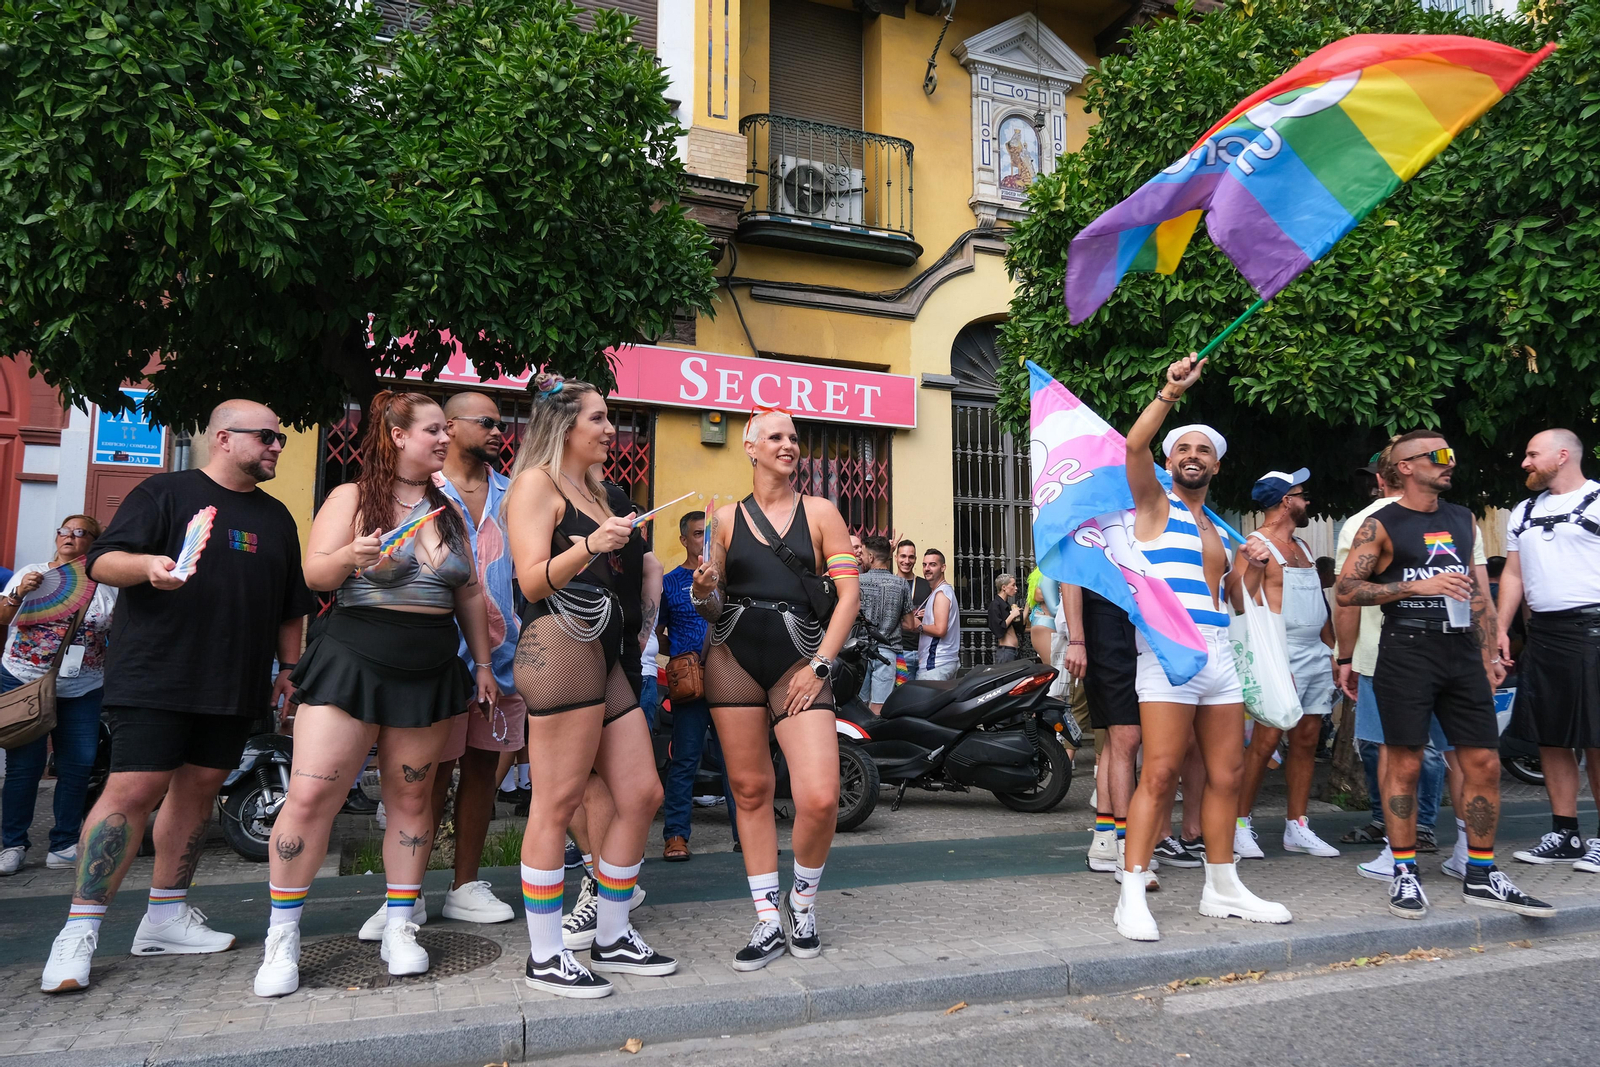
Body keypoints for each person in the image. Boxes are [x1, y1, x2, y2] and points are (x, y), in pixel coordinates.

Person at [40, 402, 312, 994]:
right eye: (267, 436)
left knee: (198, 792)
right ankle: (79, 930)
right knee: (133, 790)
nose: (276, 447)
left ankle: (165, 917)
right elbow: (103, 561)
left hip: (235, 682)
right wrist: (148, 567)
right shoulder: (163, 492)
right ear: (223, 438)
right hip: (157, 674)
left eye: (281, 437)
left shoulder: (278, 517)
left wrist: (290, 667)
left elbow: (293, 604)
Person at [253, 392, 496, 997]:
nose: (444, 439)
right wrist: (350, 556)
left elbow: (467, 592)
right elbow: (314, 576)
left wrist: (485, 663)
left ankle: (400, 923)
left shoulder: (448, 509)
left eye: (446, 430)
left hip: (429, 665)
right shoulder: (352, 498)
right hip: (353, 660)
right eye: (434, 430)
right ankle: (281, 939)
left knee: (412, 801)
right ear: (396, 435)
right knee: (311, 795)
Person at [1336, 429, 1553, 920]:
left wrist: (1489, 654)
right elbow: (1347, 590)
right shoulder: (1381, 523)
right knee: (1405, 763)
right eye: (1437, 456)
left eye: (1450, 454)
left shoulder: (1461, 519)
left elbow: (1477, 593)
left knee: (1483, 763)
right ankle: (1406, 872)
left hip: (1460, 653)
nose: (1448, 462)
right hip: (1406, 649)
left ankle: (1481, 872)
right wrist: (1414, 587)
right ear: (1405, 467)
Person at [504, 374, 671, 999]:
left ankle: (612, 933)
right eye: (599, 418)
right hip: (560, 645)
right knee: (556, 800)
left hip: (607, 650)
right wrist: (591, 547)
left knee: (640, 791)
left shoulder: (598, 490)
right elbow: (529, 581)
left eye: (610, 417)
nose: (610, 428)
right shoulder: (534, 486)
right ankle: (546, 955)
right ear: (564, 426)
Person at [1114, 355, 1289, 942]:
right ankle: (1132, 890)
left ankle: (1222, 885)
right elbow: (1133, 450)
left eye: (1204, 450)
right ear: (1170, 461)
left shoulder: (1220, 527)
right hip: (1167, 654)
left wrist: (1251, 568)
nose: (1192, 456)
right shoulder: (1153, 505)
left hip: (1218, 654)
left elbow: (1233, 603)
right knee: (1160, 772)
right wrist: (1169, 391)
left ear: (1217, 464)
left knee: (1228, 773)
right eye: (1182, 448)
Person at [351, 393, 526, 942]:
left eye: (503, 423)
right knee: (422, 780)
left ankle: (465, 885)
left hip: (500, 657)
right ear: (448, 427)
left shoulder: (513, 491)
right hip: (431, 657)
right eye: (487, 422)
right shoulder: (423, 491)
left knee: (482, 773)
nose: (499, 431)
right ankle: (403, 896)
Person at [692, 407, 860, 971]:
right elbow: (711, 605)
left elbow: (849, 597)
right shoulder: (724, 520)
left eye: (794, 437)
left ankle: (803, 902)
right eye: (777, 437)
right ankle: (767, 920)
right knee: (749, 790)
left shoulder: (821, 512)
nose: (789, 445)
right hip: (733, 657)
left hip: (800, 660)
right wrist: (701, 588)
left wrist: (821, 668)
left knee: (818, 795)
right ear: (751, 446)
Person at [1497, 430, 1600, 872]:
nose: (1525, 462)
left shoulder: (1597, 501)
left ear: (1562, 455)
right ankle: (1565, 833)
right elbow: (1514, 576)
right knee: (1551, 738)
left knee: (1597, 739)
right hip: (1545, 634)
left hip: (1594, 629)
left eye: (1531, 454)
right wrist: (1500, 629)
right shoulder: (1523, 511)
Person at [1233, 470, 1341, 860]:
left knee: (1308, 739)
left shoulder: (1304, 548)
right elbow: (1241, 602)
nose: (1307, 501)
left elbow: (1319, 605)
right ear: (1284, 501)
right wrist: (1275, 660)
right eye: (1302, 495)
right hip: (1281, 651)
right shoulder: (1253, 545)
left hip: (1314, 651)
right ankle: (1239, 824)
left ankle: (1297, 826)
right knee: (1264, 741)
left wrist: (1331, 651)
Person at [0, 517, 118, 876]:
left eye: (80, 532)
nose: (69, 537)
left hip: (82, 688)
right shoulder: (34, 573)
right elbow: (3, 616)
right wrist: (21, 592)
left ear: (94, 542)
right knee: (24, 768)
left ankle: (64, 843)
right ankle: (12, 844)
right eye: (64, 531)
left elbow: (119, 631)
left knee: (78, 765)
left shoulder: (105, 585)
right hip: (24, 680)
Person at [659, 511, 736, 861]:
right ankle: (675, 835)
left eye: (708, 536)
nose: (702, 542)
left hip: (728, 678)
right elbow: (655, 633)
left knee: (737, 762)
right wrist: (679, 659)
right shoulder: (670, 582)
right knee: (684, 760)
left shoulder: (727, 581)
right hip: (689, 686)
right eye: (695, 535)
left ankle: (747, 835)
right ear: (683, 540)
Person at [857, 535, 912, 714]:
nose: (862, 557)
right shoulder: (902, 584)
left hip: (860, 651)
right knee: (879, 705)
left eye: (864, 554)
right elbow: (910, 624)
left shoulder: (858, 582)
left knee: (859, 702)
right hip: (887, 653)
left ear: (871, 557)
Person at [912, 550, 960, 681]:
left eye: (932, 564)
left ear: (943, 567)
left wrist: (919, 626)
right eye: (924, 565)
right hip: (942, 663)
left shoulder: (941, 594)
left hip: (936, 664)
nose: (927, 569)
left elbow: (940, 630)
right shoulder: (940, 592)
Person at [895, 540, 931, 680]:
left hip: (924, 652)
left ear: (915, 559)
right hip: (900, 652)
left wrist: (928, 614)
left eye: (911, 557)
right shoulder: (890, 583)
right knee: (902, 696)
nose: (907, 561)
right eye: (903, 556)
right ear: (896, 557)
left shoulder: (926, 585)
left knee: (923, 697)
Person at [987, 574, 1025, 663]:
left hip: (1012, 651)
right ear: (1004, 587)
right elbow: (998, 630)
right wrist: (1012, 616)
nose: (1016, 588)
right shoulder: (994, 605)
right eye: (1013, 585)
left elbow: (1017, 628)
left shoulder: (1006, 605)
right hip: (1005, 652)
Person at [1026, 570, 1061, 665]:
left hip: (1048, 622)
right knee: (1055, 668)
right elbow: (1054, 609)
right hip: (1046, 623)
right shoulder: (1048, 575)